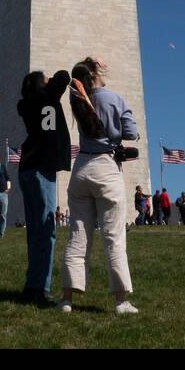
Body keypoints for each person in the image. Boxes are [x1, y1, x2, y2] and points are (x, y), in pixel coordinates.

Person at [60, 57, 140, 316]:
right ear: (95, 74)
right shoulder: (113, 98)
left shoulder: (76, 100)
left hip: (81, 167)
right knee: (113, 237)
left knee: (78, 235)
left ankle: (66, 300)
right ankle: (120, 301)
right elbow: (130, 133)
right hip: (107, 167)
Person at [16, 69, 71, 305]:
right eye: (44, 79)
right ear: (42, 85)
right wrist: (50, 82)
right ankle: (40, 289)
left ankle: (32, 285)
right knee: (47, 230)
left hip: (27, 168)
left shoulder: (26, 104)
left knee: (35, 231)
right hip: (41, 169)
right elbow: (63, 76)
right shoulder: (47, 97)